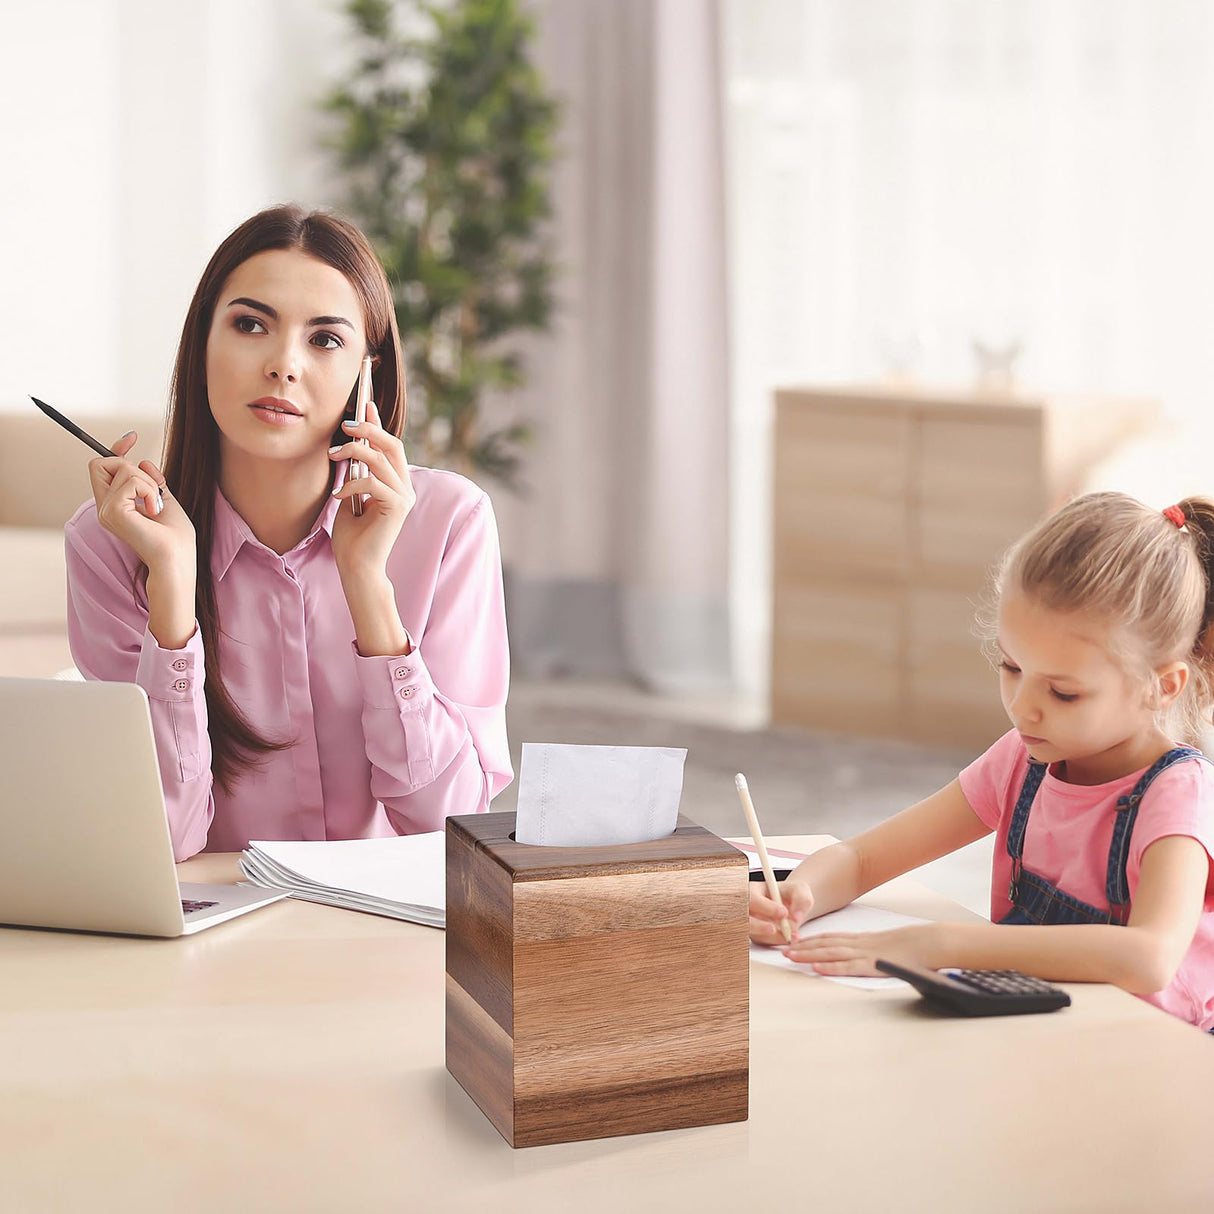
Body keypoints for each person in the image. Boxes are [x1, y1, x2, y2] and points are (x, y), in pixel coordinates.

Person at [65, 205, 512, 861]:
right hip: (214, 935)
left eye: (325, 340)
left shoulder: (448, 522)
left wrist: (368, 587)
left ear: (369, 373)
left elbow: (449, 828)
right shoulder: (112, 543)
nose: (282, 364)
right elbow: (160, 842)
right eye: (250, 325)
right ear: (202, 344)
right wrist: (173, 593)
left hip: (387, 933)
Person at [751, 491, 1214, 1030]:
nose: (1023, 708)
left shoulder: (1178, 795)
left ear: (1162, 686)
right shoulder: (1021, 763)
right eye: (1011, 667)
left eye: (1063, 693)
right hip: (1038, 1025)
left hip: (1155, 1049)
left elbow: (1148, 958)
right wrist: (798, 895)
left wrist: (943, 943)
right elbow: (861, 859)